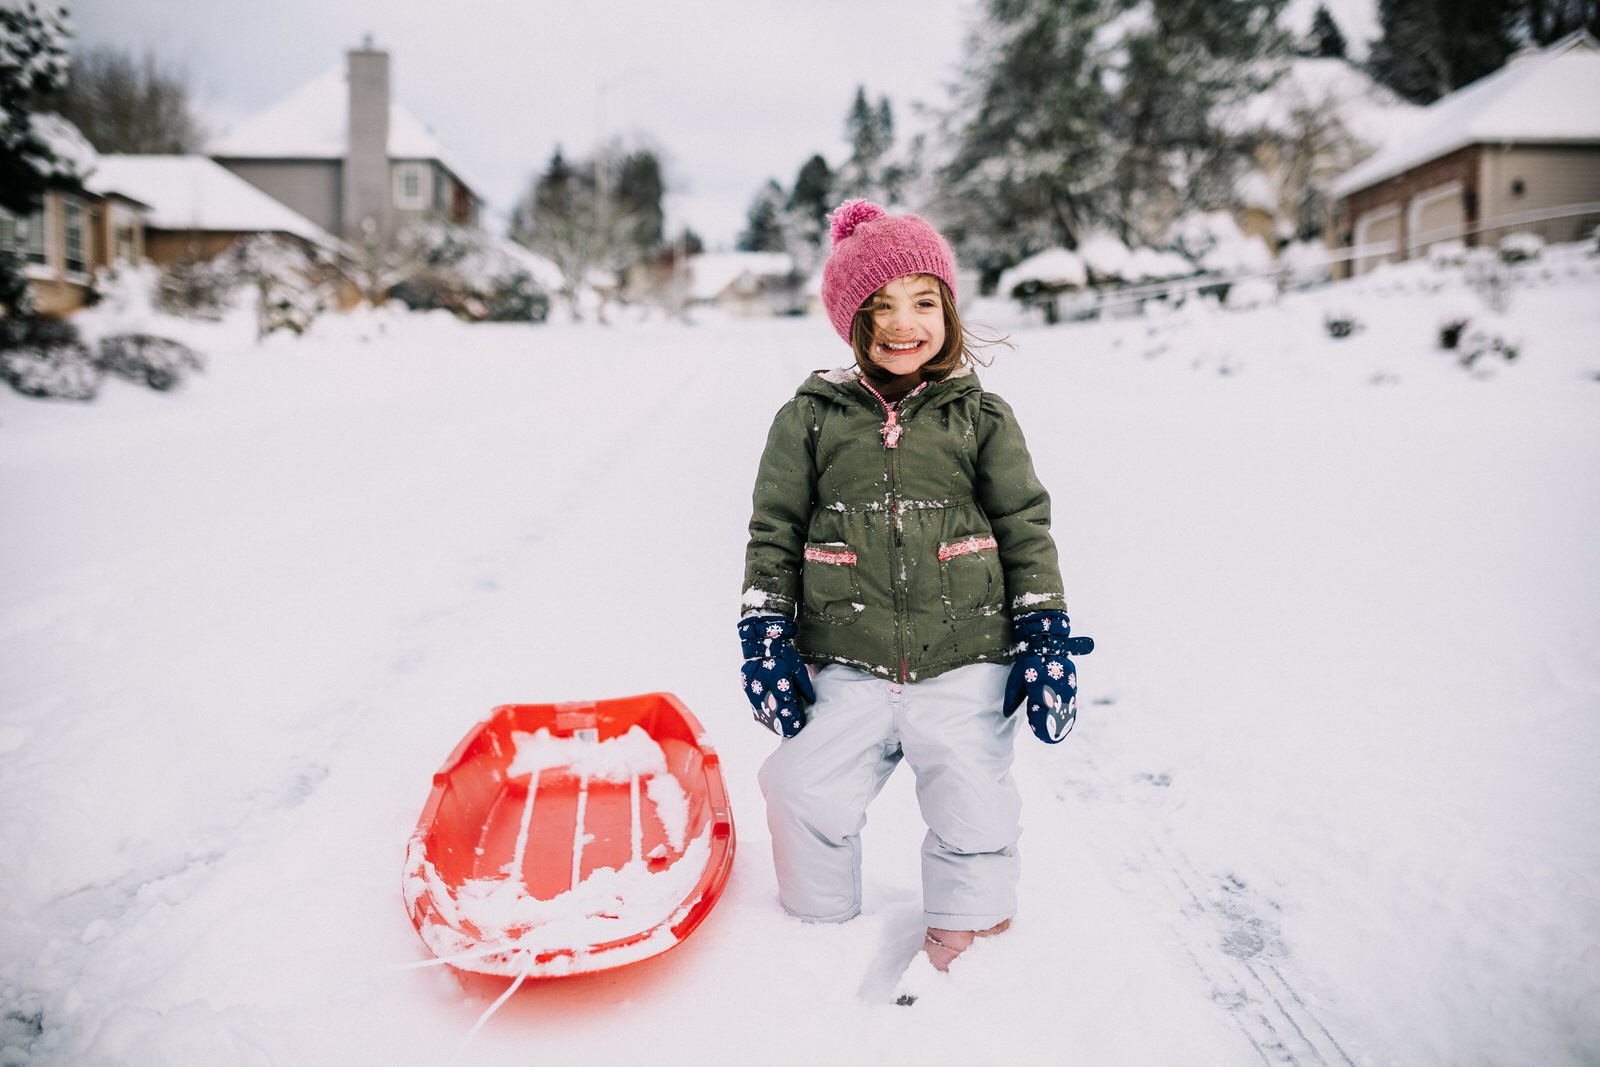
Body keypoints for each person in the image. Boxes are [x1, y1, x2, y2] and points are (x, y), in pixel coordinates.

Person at [738, 199, 1094, 973]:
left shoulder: (980, 418)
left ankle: (970, 930)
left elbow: (1025, 525)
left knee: (973, 795)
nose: (905, 324)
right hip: (845, 657)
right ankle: (817, 932)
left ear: (949, 308)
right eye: (880, 307)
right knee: (801, 789)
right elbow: (774, 529)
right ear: (851, 321)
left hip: (967, 653)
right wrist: (765, 631)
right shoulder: (810, 418)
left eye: (923, 301)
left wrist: (1044, 632)